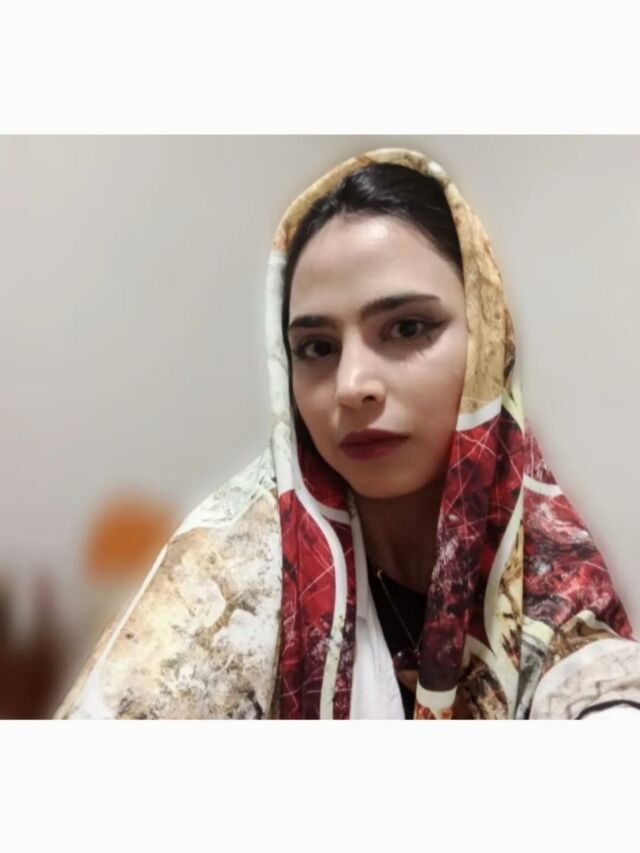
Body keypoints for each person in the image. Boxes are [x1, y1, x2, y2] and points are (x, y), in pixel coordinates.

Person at [54, 146, 640, 720]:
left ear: (488, 341)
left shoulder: (553, 584)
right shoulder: (231, 580)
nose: (351, 385)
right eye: (316, 348)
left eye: (407, 328)